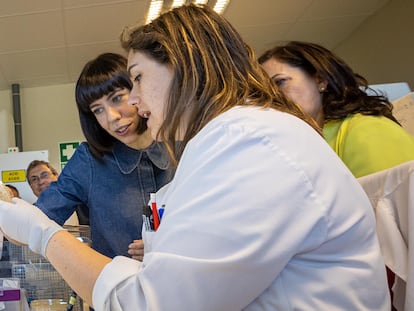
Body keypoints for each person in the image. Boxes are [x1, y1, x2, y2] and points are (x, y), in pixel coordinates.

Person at [0, 4, 390, 310]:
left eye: (136, 79)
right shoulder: (225, 141)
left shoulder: (246, 142)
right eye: (98, 109)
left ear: (182, 65)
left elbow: (151, 303)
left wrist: (39, 231)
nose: (132, 103)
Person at [33, 53, 172, 259]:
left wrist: (167, 245)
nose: (111, 117)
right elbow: (38, 219)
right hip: (119, 288)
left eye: (117, 99)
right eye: (98, 110)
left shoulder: (180, 145)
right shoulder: (89, 160)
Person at [258, 40, 414, 178]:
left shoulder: (366, 128)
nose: (273, 97)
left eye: (279, 82)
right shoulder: (303, 147)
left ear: (320, 80)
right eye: (264, 92)